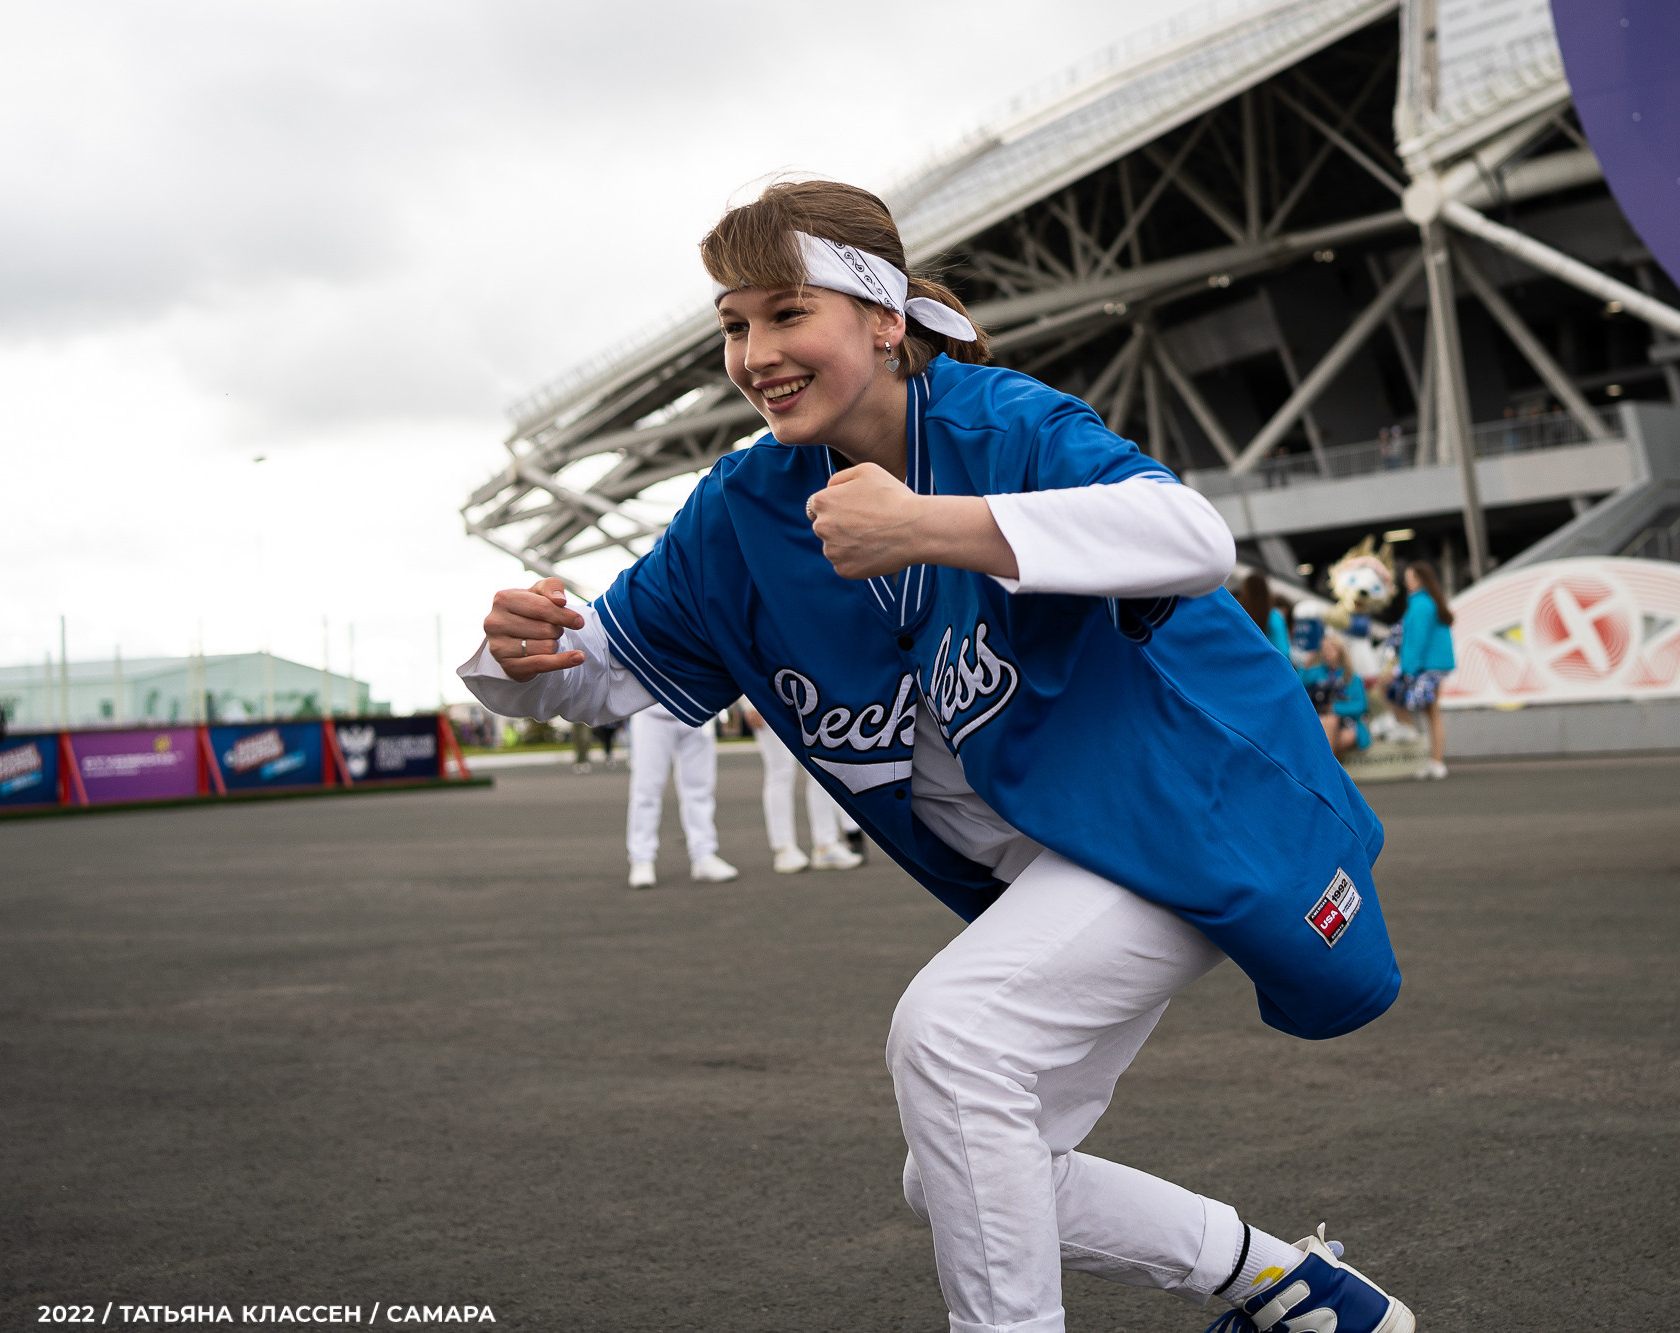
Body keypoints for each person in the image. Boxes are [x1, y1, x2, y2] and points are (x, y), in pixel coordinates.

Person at [461, 180, 1410, 1333]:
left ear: (882, 319)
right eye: (731, 324)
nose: (752, 352)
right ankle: (1287, 1288)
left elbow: (1190, 539)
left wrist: (926, 524)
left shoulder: (997, 422)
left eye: (782, 313)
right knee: (961, 1166)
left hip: (1185, 819)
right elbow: (605, 668)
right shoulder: (741, 508)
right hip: (1059, 857)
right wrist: (518, 659)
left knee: (954, 1042)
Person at [625, 704, 738, 888]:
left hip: (699, 705)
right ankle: (641, 859)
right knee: (646, 789)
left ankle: (704, 854)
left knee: (700, 788)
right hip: (652, 710)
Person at [743, 702, 863, 873]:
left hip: (805, 694)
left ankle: (826, 844)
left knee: (821, 766)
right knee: (781, 770)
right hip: (767, 695)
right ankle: (784, 849)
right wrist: (748, 703)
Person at [1386, 561, 1456, 781]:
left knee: (1431, 712)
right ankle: (1433, 760)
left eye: (1410, 577)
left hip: (1428, 667)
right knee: (1431, 713)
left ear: (1420, 579)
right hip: (1433, 665)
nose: (1406, 582)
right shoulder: (1427, 602)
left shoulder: (1421, 604)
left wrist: (1407, 669)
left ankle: (1435, 760)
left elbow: (1416, 640)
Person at [1313, 638, 1372, 760]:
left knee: (1334, 728)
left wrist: (1334, 708)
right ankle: (1332, 775)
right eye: (1323, 650)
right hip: (1322, 721)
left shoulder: (1352, 677)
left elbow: (1361, 706)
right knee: (1329, 724)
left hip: (1349, 722)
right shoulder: (1317, 673)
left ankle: (1327, 774)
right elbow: (1300, 678)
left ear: (1339, 651)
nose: (1325, 653)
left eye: (1329, 649)